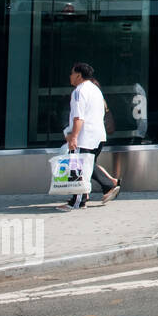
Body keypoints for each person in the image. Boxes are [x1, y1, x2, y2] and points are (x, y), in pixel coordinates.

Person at [59, 63, 121, 210]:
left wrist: (73, 137)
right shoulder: (95, 90)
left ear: (79, 75)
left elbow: (78, 117)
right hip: (97, 136)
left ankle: (77, 201)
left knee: (79, 168)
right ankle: (107, 186)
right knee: (87, 166)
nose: (70, 76)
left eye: (72, 73)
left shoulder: (79, 92)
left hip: (85, 137)